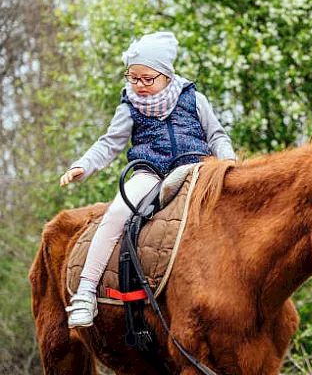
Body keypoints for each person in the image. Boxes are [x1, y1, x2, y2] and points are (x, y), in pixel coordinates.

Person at [60, 31, 236, 328]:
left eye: (147, 79)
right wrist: (84, 165)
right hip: (150, 172)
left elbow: (216, 135)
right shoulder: (129, 107)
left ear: (166, 75)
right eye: (133, 78)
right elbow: (108, 144)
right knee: (117, 213)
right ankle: (86, 292)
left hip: (198, 170)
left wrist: (228, 162)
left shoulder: (193, 98)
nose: (139, 86)